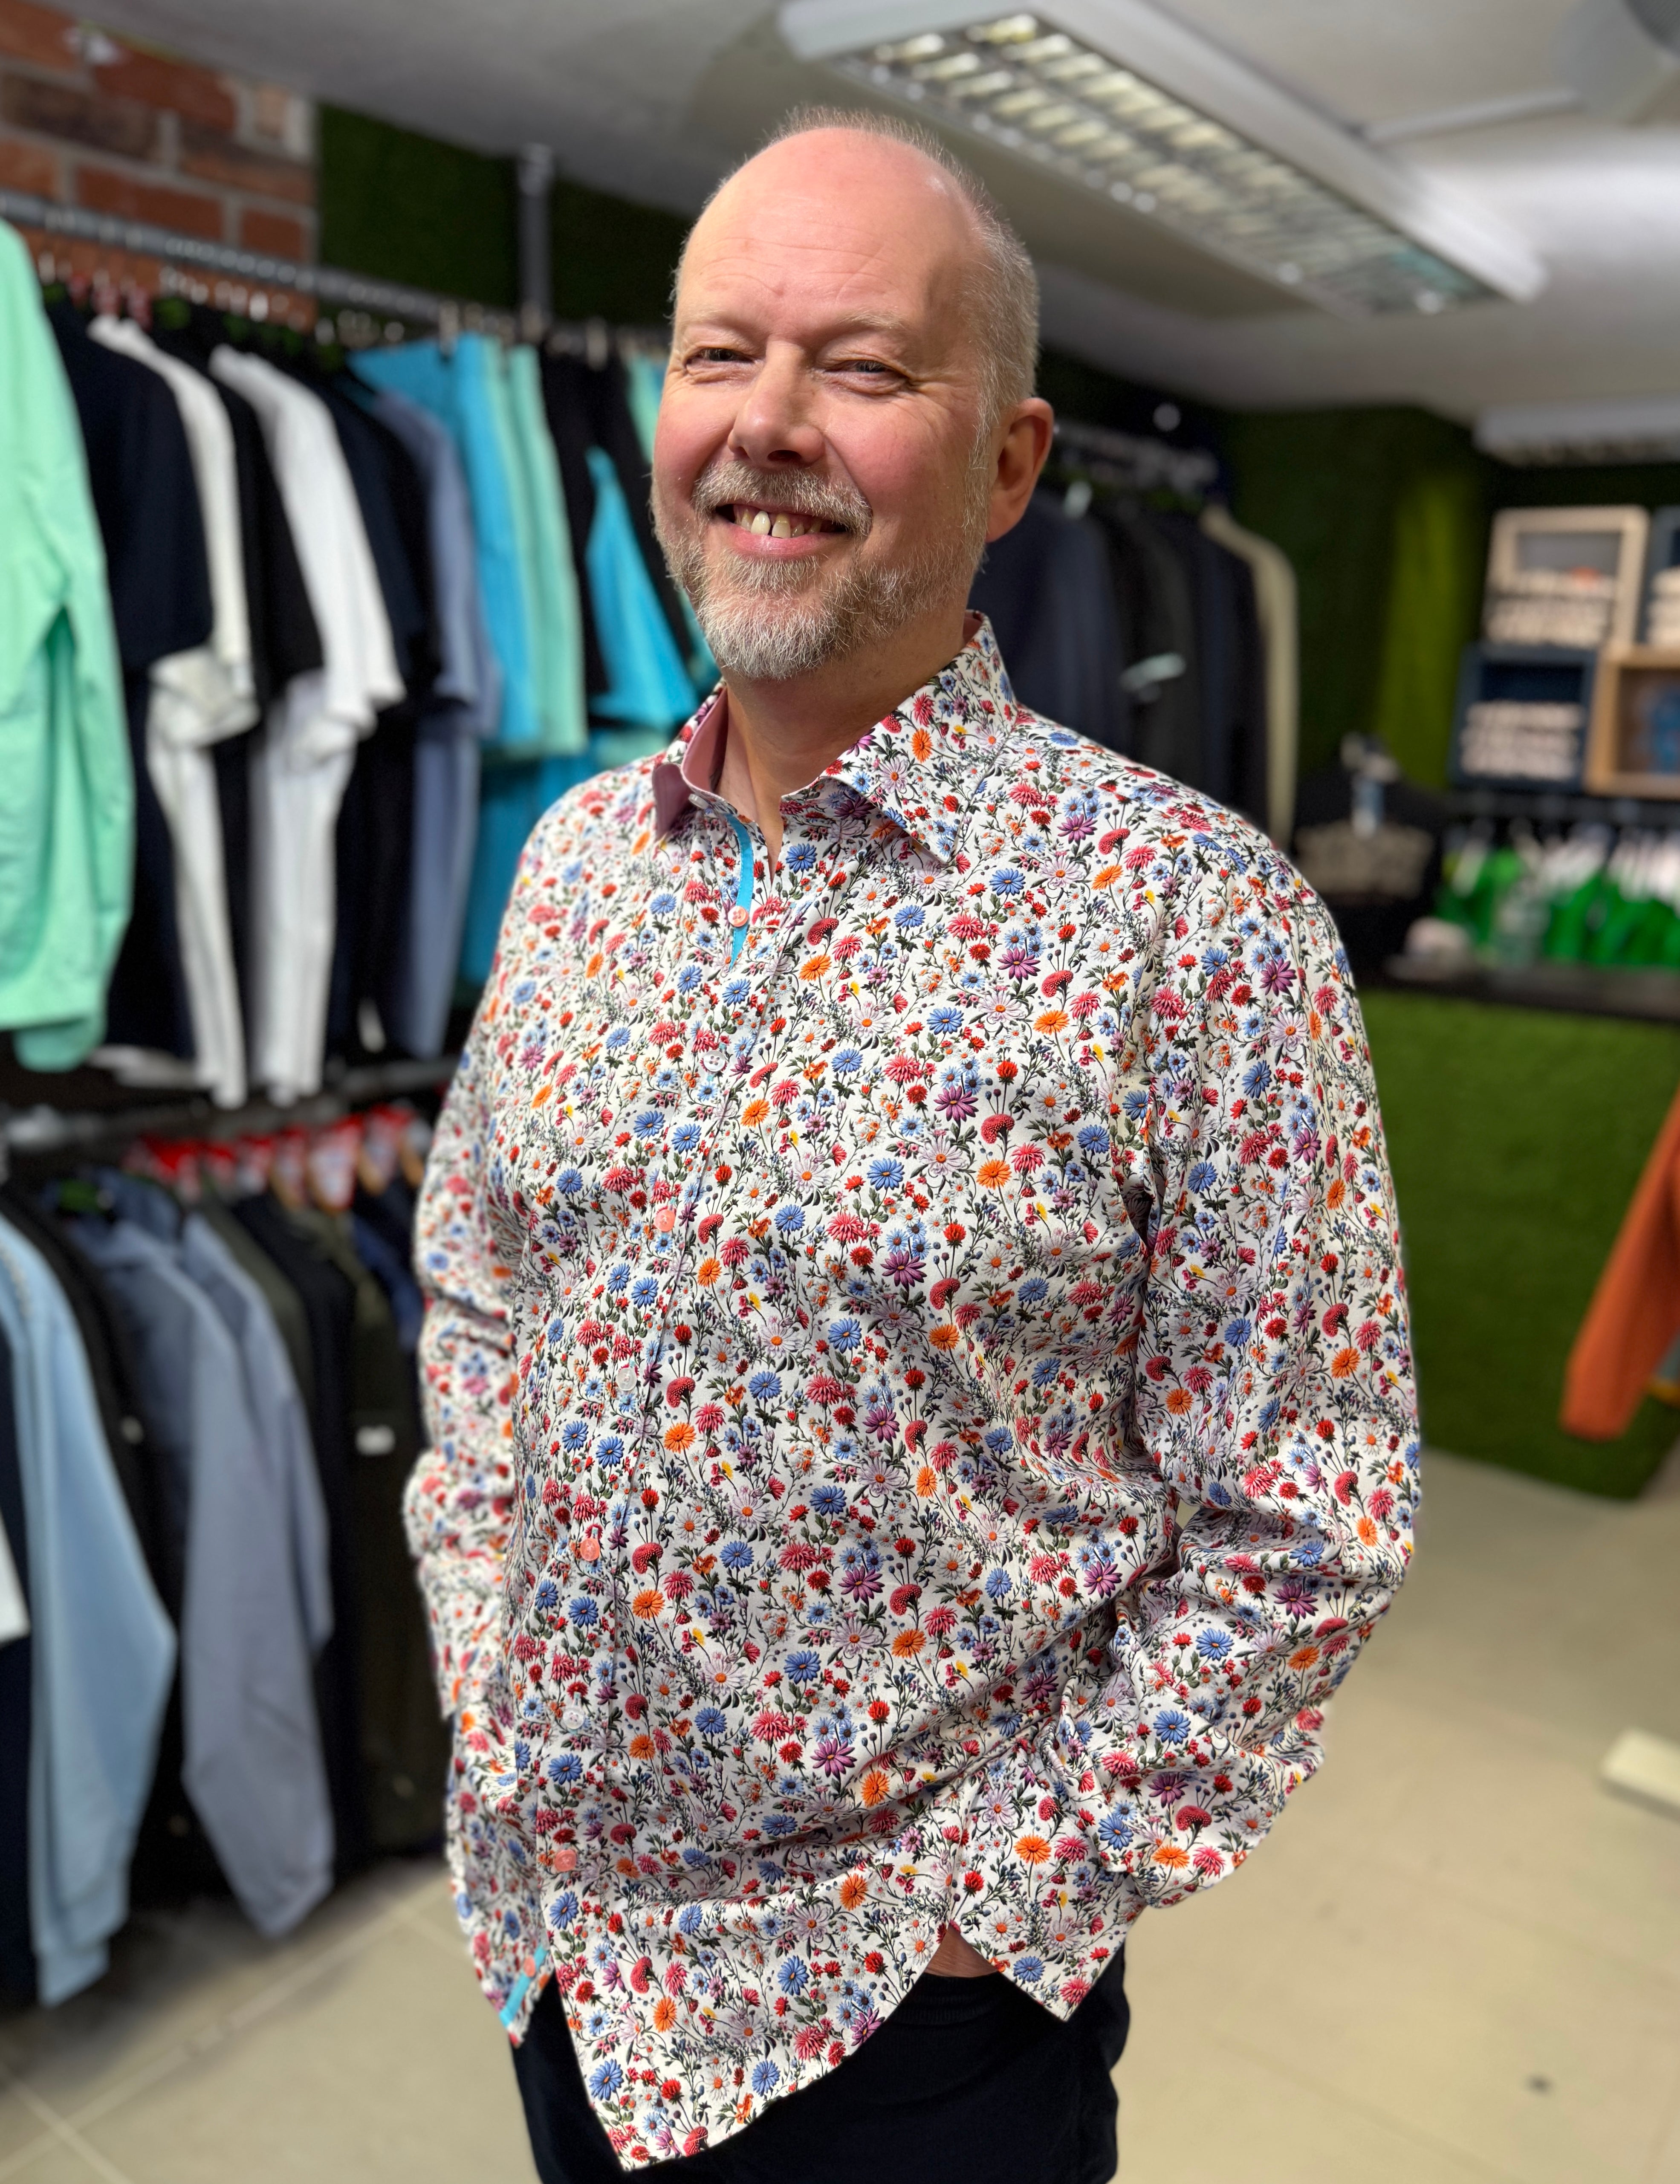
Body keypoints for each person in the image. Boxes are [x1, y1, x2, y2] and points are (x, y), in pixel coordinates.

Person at [407, 107, 1419, 2184]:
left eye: (860, 368)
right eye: (717, 355)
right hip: (555, 1933)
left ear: (1007, 464)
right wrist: (482, 1665)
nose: (766, 424)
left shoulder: (1189, 924)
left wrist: (994, 1910)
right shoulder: (577, 861)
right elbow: (482, 1288)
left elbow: (1308, 1505)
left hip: (900, 2025)